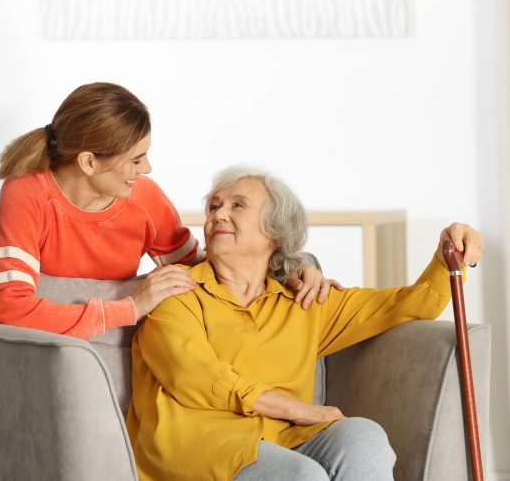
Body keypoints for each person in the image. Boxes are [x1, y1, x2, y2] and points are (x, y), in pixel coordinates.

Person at [126, 166, 485, 480]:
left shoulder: (304, 302)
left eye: (237, 205)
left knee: (362, 436)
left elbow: (411, 304)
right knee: (302, 475)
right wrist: (297, 409)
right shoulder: (176, 290)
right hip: (196, 445)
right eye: (213, 206)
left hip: (283, 439)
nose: (218, 215)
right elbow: (195, 376)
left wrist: (445, 255)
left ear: (275, 233)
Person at [0, 83, 333, 340]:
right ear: (89, 162)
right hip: (33, 360)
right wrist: (130, 308)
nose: (147, 168)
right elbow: (8, 308)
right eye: (136, 159)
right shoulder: (26, 194)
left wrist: (292, 269)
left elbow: (208, 270)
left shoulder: (144, 199)